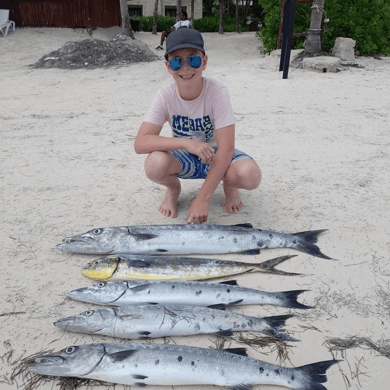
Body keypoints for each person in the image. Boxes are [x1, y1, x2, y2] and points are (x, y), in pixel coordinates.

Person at [134, 28, 261, 224]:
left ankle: (229, 185)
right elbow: (140, 143)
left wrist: (202, 200)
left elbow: (226, 149)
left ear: (204, 61)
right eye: (177, 61)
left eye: (192, 59)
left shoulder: (217, 92)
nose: (185, 68)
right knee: (154, 165)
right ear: (168, 66)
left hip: (217, 155)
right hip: (185, 156)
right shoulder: (164, 96)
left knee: (250, 175)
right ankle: (173, 189)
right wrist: (186, 143)